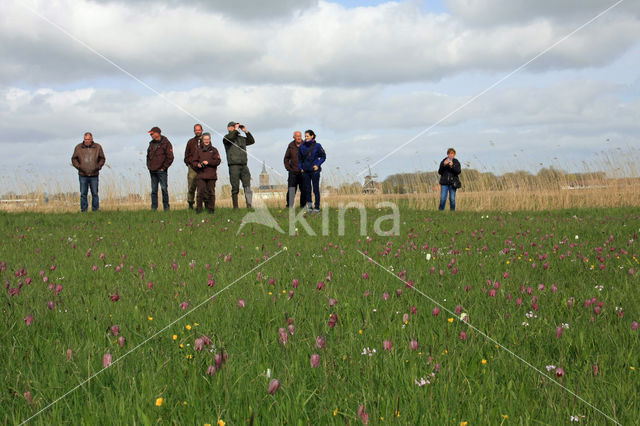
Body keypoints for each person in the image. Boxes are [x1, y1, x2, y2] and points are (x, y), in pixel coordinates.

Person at [223, 121, 254, 209]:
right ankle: (235, 207)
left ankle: (249, 205)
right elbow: (231, 137)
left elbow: (251, 141)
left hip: (244, 165)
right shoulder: (226, 138)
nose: (235, 128)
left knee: (247, 186)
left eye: (236, 126)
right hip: (234, 166)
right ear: (229, 128)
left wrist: (246, 131)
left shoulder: (241, 139)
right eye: (233, 126)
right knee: (235, 187)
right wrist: (236, 130)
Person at [71, 132, 106, 212]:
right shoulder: (78, 147)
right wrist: (79, 167)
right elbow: (74, 159)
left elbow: (102, 158)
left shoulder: (97, 147)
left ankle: (95, 210)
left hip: (94, 174)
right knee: (83, 194)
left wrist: (98, 167)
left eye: (88, 139)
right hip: (83, 175)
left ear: (92, 139)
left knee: (95, 193)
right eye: (85, 139)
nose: (86, 141)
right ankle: (84, 210)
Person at [192, 133, 221, 214]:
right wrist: (198, 165)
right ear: (202, 140)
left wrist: (208, 162)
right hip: (201, 175)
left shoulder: (214, 150)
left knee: (211, 193)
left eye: (208, 139)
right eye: (205, 139)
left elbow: (218, 161)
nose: (206, 141)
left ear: (210, 139)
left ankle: (211, 209)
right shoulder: (198, 150)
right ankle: (199, 209)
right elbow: (193, 162)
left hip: (211, 175)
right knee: (200, 193)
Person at [146, 126, 174, 211]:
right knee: (154, 191)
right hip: (152, 170)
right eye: (150, 134)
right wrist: (149, 166)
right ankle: (154, 208)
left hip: (162, 171)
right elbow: (148, 156)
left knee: (164, 189)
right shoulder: (151, 143)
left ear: (157, 133)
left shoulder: (166, 143)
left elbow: (170, 157)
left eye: (152, 133)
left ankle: (166, 208)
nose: (151, 135)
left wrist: (163, 168)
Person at [298, 130, 326, 213]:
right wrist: (301, 168)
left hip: (314, 171)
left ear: (312, 136)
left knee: (316, 189)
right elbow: (299, 160)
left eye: (307, 136)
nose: (305, 138)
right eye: (305, 136)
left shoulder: (317, 146)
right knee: (307, 190)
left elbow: (323, 157)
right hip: (305, 171)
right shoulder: (302, 147)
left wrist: (317, 165)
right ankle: (310, 208)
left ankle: (317, 207)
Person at [184, 123, 207, 209]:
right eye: (196, 130)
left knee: (204, 187)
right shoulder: (190, 142)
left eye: (199, 130)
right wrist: (189, 164)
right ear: (194, 131)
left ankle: (205, 204)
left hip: (204, 168)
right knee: (191, 186)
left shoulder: (206, 141)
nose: (197, 131)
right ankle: (190, 203)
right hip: (192, 168)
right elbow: (186, 155)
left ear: (202, 130)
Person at [283, 131, 306, 208]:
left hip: (303, 172)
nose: (299, 138)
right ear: (294, 137)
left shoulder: (306, 145)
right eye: (297, 136)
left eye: (300, 136)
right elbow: (286, 158)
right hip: (293, 172)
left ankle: (303, 206)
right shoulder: (291, 145)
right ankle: (289, 206)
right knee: (291, 190)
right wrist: (288, 168)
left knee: (304, 190)